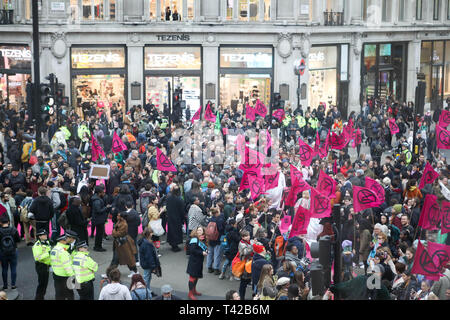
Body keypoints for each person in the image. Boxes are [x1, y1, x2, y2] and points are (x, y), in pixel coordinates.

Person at [50, 230, 78, 300]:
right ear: (61, 241)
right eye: (65, 239)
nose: (67, 241)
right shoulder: (63, 252)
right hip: (65, 276)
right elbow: (67, 266)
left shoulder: (54, 249)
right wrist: (73, 276)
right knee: (69, 294)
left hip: (56, 274)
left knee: (59, 293)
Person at [110, 213, 138, 277]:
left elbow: (118, 234)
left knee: (129, 258)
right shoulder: (119, 222)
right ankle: (110, 272)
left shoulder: (124, 224)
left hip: (123, 243)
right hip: (119, 243)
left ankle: (134, 271)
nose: (117, 216)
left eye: (118, 216)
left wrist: (113, 231)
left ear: (122, 217)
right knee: (115, 258)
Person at [186, 226, 208, 300]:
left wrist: (206, 251)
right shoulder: (194, 239)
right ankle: (190, 293)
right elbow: (192, 250)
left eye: (200, 230)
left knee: (196, 277)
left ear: (203, 232)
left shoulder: (203, 239)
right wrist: (202, 252)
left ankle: (194, 290)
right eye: (198, 230)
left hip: (199, 262)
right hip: (193, 262)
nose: (199, 231)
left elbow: (204, 248)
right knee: (192, 278)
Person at [138, 227, 160, 297]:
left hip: (145, 264)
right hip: (147, 264)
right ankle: (146, 292)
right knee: (146, 278)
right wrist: (153, 266)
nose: (152, 234)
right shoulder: (147, 243)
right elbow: (149, 257)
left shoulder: (143, 241)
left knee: (147, 277)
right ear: (149, 234)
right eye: (151, 233)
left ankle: (147, 291)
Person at [0, 214, 20, 290]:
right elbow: (18, 240)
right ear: (8, 222)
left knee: (4, 268)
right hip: (13, 251)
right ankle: (13, 285)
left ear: (0, 223)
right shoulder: (14, 229)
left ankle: (5, 285)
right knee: (13, 268)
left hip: (2, 252)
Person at [32, 229, 51, 300]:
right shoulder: (37, 245)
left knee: (45, 283)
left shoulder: (47, 242)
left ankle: (41, 297)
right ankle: (38, 298)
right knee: (42, 284)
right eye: (44, 235)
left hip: (47, 265)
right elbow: (37, 258)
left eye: (46, 234)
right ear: (39, 236)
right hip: (41, 266)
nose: (46, 235)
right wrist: (48, 253)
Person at [91, 186, 111, 252]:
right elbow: (99, 210)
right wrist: (106, 207)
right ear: (99, 193)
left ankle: (98, 246)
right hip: (99, 219)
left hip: (98, 219)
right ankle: (98, 247)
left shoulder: (97, 199)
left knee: (99, 233)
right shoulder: (97, 200)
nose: (104, 193)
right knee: (99, 234)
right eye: (102, 192)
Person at [206, 207, 225, 275]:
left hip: (210, 238)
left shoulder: (210, 219)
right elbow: (221, 229)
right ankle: (216, 268)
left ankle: (209, 267)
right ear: (217, 212)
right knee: (217, 254)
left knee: (210, 253)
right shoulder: (220, 220)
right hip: (218, 239)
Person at [166, 186, 185, 252]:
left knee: (171, 231)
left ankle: (172, 244)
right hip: (177, 218)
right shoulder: (179, 200)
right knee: (176, 232)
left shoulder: (168, 198)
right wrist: (183, 219)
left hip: (170, 217)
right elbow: (182, 210)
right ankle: (175, 246)